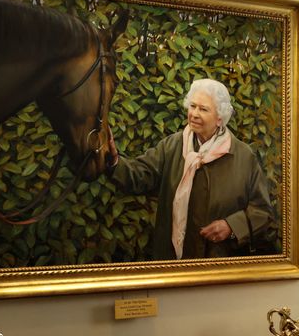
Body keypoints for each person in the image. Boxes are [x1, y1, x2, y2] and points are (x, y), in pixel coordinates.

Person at [107, 78, 276, 260]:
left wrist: (231, 227)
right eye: (192, 106)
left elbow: (263, 212)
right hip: (172, 263)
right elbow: (140, 175)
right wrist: (113, 160)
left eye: (203, 109)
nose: (194, 114)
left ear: (220, 118)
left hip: (219, 267)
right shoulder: (172, 146)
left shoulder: (243, 157)